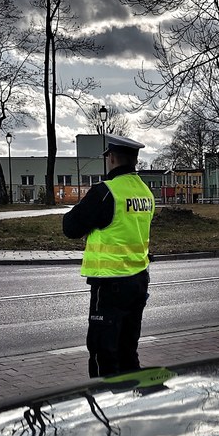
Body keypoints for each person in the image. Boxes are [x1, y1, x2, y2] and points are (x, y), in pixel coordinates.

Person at [63, 135, 155, 377]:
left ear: (111, 158)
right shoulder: (145, 192)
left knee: (103, 353)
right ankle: (132, 402)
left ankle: (108, 406)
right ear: (134, 160)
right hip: (138, 280)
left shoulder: (106, 192)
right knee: (128, 350)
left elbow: (70, 228)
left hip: (110, 284)